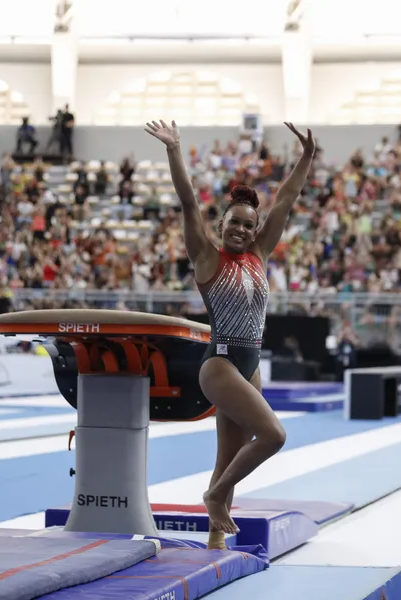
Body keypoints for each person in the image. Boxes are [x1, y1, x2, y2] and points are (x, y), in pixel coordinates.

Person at [146, 119, 315, 546]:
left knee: (230, 456)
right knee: (274, 436)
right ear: (221, 225)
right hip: (220, 364)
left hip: (250, 364)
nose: (241, 229)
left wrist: (307, 157)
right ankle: (215, 495)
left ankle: (215, 542)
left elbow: (286, 199)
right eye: (234, 223)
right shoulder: (207, 257)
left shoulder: (259, 253)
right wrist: (174, 149)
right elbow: (187, 202)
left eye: (248, 224)